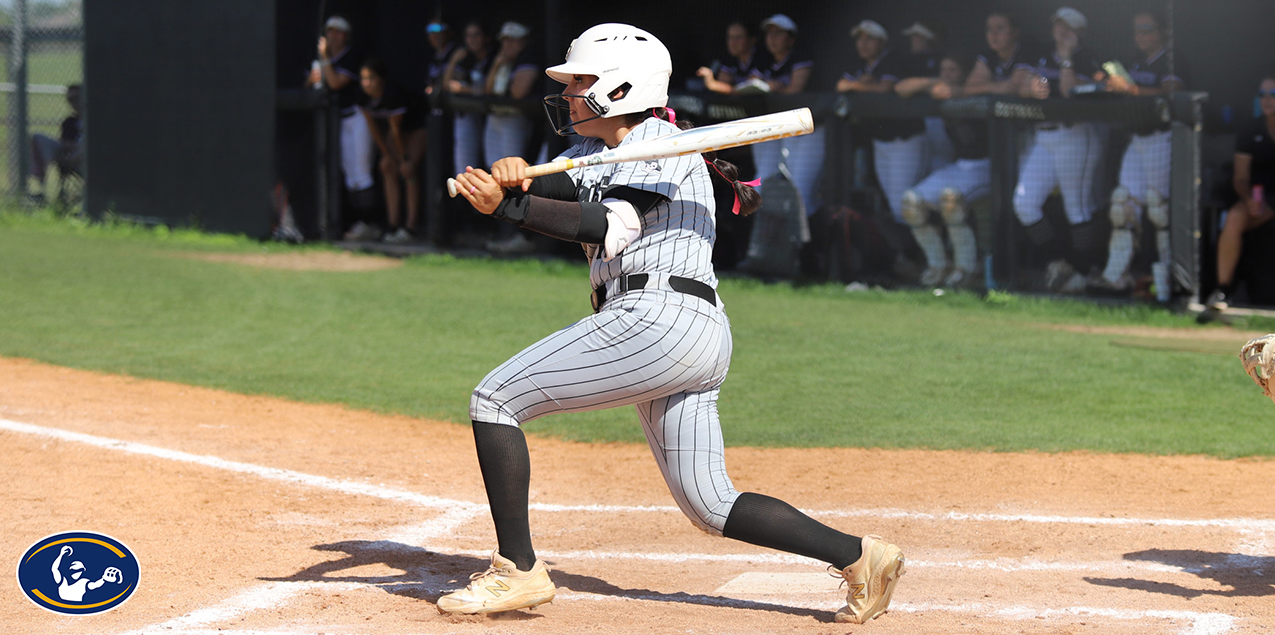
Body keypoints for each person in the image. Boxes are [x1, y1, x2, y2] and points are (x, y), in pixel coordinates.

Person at [441, 23, 905, 624]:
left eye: (580, 81)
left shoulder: (668, 149)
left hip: (658, 319)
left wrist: (513, 205)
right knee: (710, 504)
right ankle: (861, 557)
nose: (570, 92)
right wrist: (514, 178)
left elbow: (606, 225)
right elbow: (562, 188)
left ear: (618, 88)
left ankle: (517, 570)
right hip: (683, 330)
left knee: (495, 399)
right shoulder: (593, 153)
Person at [1091, 10, 1189, 292]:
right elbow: (1127, 88)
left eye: (1147, 29)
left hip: (1162, 138)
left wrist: (1131, 89)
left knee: (1159, 208)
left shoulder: (1173, 58)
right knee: (1122, 205)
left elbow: (1171, 94)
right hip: (1137, 139)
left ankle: (1170, 278)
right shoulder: (1135, 60)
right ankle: (1115, 275)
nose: (1141, 36)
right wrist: (1110, 84)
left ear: (1162, 32)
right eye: (1137, 30)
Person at [1013, 7, 1107, 294]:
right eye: (1058, 25)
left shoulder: (1088, 57)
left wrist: (1067, 57)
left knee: (1076, 208)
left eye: (1069, 27)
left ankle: (1083, 270)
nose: (1062, 31)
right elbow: (1018, 85)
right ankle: (1059, 261)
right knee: (1024, 204)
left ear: (1079, 31)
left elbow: (1069, 91)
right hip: (1043, 136)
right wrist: (1029, 89)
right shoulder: (1040, 52)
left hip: (1075, 135)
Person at [838, 19, 930, 271]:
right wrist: (863, 84)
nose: (862, 44)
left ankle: (925, 259)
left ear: (881, 41)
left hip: (906, 141)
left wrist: (859, 85)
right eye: (860, 39)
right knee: (894, 204)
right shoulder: (859, 63)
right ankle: (909, 258)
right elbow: (840, 85)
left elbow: (885, 88)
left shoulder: (893, 59)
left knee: (906, 203)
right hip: (881, 142)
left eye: (868, 39)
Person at [895, 54, 990, 288]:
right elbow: (900, 88)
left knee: (950, 200)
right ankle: (938, 265)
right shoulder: (937, 89)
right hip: (960, 165)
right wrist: (931, 83)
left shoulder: (978, 92)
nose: (946, 75)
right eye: (943, 69)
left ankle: (966, 268)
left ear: (966, 75)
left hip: (987, 166)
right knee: (911, 202)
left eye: (953, 70)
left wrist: (958, 91)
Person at [1207, 74, 1275, 312]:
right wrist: (1249, 200)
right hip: (1258, 198)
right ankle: (1223, 290)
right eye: (1263, 95)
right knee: (1234, 217)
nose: (1267, 100)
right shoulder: (1250, 129)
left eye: (1273, 95)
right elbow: (1241, 178)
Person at [308, 16, 378, 241]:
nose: (334, 36)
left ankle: (370, 223)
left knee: (361, 171)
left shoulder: (351, 55)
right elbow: (311, 85)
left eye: (339, 32)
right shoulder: (322, 58)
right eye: (330, 31)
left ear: (346, 35)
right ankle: (356, 222)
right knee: (349, 174)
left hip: (358, 118)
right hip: (337, 120)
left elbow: (336, 83)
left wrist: (325, 59)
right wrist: (314, 76)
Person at [747, 14, 825, 216]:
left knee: (800, 190)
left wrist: (774, 87)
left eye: (778, 33)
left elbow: (795, 90)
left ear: (791, 38)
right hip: (781, 130)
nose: (772, 38)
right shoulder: (764, 58)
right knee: (771, 184)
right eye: (769, 33)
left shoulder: (801, 55)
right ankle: (776, 238)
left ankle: (808, 244)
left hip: (810, 131)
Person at [482, 21, 542, 256]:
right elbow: (487, 92)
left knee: (513, 177)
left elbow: (518, 92)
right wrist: (498, 62)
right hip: (496, 120)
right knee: (494, 172)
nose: (507, 44)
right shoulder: (500, 59)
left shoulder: (528, 57)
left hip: (518, 121)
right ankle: (505, 231)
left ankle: (521, 234)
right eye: (504, 40)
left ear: (523, 40)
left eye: (512, 40)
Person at [359, 58, 428, 244]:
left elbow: (397, 131)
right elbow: (373, 127)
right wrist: (387, 155)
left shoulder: (393, 95)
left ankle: (410, 228)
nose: (366, 83)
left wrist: (404, 158)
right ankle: (393, 225)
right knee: (386, 167)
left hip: (416, 127)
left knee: (408, 170)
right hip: (395, 131)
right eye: (363, 78)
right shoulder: (363, 96)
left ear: (381, 79)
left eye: (371, 78)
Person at [443, 21, 493, 181]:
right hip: (469, 116)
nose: (471, 39)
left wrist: (464, 90)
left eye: (476, 35)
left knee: (491, 164)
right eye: (468, 36)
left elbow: (490, 89)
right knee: (464, 166)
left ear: (486, 37)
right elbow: (446, 84)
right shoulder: (466, 59)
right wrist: (453, 60)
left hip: (493, 117)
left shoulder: (494, 57)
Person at [901, 21, 954, 173]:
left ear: (929, 39)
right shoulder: (910, 61)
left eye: (918, 37)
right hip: (917, 125)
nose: (913, 40)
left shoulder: (942, 59)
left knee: (941, 166)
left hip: (939, 119)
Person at [964, 10, 1039, 97]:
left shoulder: (1026, 51)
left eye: (1000, 28)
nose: (993, 34)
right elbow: (968, 89)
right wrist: (992, 87)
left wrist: (986, 87)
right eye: (989, 29)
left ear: (1015, 32)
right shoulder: (988, 55)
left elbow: (1012, 89)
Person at [29, 83, 82, 201]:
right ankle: (38, 187)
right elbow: (63, 143)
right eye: (70, 100)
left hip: (89, 159)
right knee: (37, 137)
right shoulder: (69, 122)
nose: (73, 103)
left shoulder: (97, 119)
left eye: (77, 98)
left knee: (86, 147)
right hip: (69, 157)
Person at [696, 21, 762, 95]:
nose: (732, 42)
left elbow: (748, 92)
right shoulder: (729, 57)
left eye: (738, 37)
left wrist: (712, 84)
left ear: (752, 40)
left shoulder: (762, 57)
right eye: (730, 37)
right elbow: (723, 82)